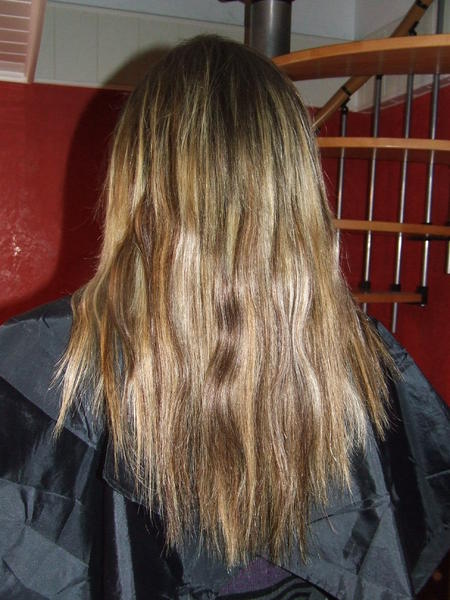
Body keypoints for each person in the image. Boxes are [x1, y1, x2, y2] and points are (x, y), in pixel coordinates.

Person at [0, 35, 448, 600]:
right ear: (294, 180)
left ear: (136, 176)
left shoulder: (35, 357)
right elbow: (416, 515)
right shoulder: (365, 353)